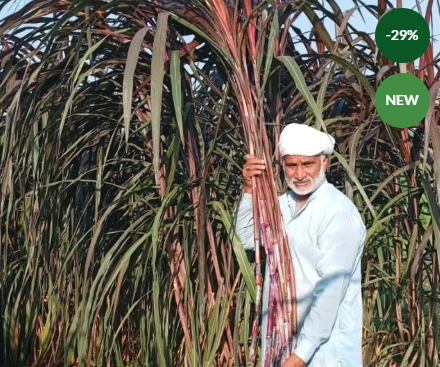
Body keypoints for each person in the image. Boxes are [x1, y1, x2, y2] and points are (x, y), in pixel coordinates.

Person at [234, 123, 366, 367]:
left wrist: (300, 355)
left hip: (324, 352)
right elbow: (244, 237)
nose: (300, 174)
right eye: (292, 165)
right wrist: (250, 189)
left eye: (308, 164)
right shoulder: (281, 206)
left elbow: (330, 291)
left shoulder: (336, 213)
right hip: (281, 342)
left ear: (324, 163)